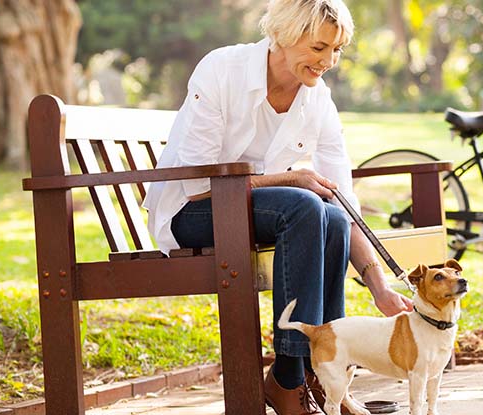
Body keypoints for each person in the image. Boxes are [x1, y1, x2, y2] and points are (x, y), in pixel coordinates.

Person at [142, 0, 413, 413]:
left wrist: (379, 288)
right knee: (303, 204)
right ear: (285, 35)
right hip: (189, 212)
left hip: (253, 211)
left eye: (337, 50)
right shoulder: (223, 69)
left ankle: (323, 371)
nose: (330, 61)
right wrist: (289, 177)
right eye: (319, 47)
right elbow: (197, 184)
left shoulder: (316, 98)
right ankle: (288, 379)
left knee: (332, 214)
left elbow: (344, 197)